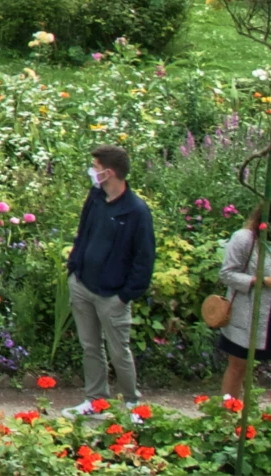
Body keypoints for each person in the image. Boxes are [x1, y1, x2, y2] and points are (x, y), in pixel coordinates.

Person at [64, 144, 153, 414]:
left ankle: (131, 404)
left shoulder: (137, 211)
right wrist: (73, 269)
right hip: (82, 285)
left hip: (112, 295)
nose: (92, 172)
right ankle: (95, 400)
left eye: (96, 168)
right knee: (90, 346)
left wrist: (125, 295)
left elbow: (144, 259)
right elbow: (83, 232)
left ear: (110, 172)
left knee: (119, 352)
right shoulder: (95, 197)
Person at [218, 197, 271, 401]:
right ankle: (229, 414)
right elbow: (227, 274)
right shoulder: (245, 239)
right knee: (238, 366)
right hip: (247, 313)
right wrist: (260, 281)